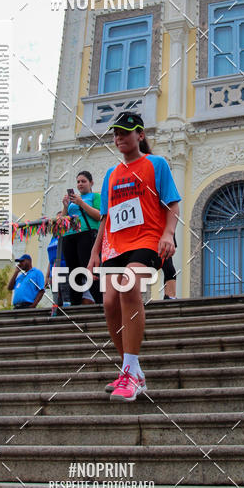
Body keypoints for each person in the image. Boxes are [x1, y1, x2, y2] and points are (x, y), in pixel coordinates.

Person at [88, 111, 180, 402]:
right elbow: (105, 218)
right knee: (109, 302)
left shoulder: (157, 164)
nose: (119, 138)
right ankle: (131, 369)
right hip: (114, 245)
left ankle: (130, 371)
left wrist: (168, 234)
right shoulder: (111, 175)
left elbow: (173, 204)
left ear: (140, 135)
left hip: (146, 238)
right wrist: (94, 253)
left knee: (129, 287)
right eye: (116, 133)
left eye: (126, 132)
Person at [58, 171, 101, 305]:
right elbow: (61, 222)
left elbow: (99, 216)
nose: (80, 184)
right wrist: (65, 207)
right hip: (70, 236)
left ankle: (100, 301)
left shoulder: (95, 196)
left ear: (91, 183)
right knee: (74, 272)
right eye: (78, 182)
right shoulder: (72, 202)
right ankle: (74, 303)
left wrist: (81, 203)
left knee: (88, 269)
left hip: (87, 234)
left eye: (83, 181)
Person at [45, 235, 70, 316]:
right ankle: (56, 315)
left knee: (65, 296)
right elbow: (50, 260)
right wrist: (47, 276)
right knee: (57, 298)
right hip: (54, 271)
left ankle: (67, 315)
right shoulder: (53, 238)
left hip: (65, 269)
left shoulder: (66, 234)